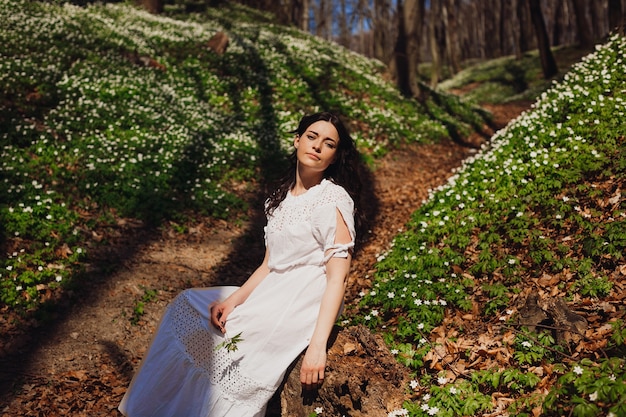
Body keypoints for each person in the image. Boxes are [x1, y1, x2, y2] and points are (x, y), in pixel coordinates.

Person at [118, 111, 363, 416]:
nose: (317, 146)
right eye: (311, 137)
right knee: (187, 304)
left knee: (233, 358)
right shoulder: (280, 199)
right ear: (298, 140)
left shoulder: (334, 199)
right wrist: (234, 299)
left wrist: (317, 346)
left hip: (300, 303)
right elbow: (269, 264)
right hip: (271, 291)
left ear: (335, 157)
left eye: (328, 144)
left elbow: (338, 278)